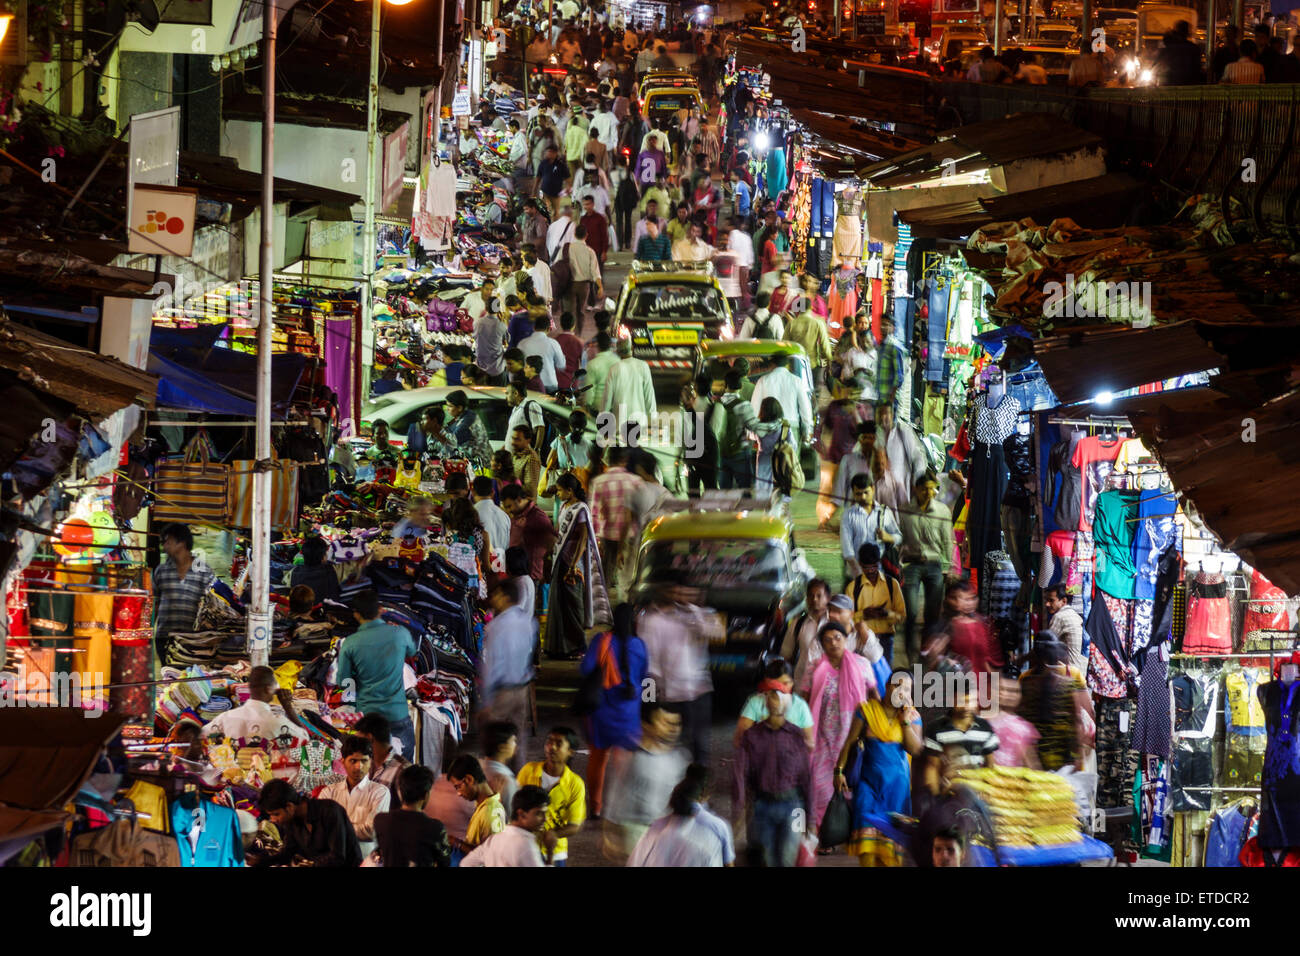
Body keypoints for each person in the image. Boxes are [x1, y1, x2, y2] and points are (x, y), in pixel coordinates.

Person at [838, 667, 924, 866]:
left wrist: (905, 722)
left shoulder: (913, 717)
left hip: (897, 789)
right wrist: (839, 770)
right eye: (897, 685)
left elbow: (915, 749)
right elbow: (850, 742)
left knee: (891, 852)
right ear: (887, 685)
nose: (900, 691)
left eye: (907, 688)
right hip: (868, 785)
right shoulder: (867, 710)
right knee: (867, 849)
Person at [638, 575, 720, 765]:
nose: (681, 596)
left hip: (699, 691)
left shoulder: (702, 614)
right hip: (671, 696)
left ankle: (697, 788)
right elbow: (650, 665)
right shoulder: (652, 620)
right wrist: (649, 702)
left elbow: (717, 633)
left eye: (688, 592)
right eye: (676, 592)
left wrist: (693, 612)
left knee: (700, 746)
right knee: (672, 745)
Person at [804, 622, 875, 839]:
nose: (833, 643)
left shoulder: (862, 664)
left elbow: (874, 696)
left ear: (847, 639)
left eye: (838, 637)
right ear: (822, 644)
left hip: (853, 737)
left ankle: (847, 832)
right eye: (828, 639)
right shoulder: (815, 668)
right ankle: (823, 834)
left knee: (852, 784)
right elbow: (806, 701)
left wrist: (875, 727)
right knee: (820, 786)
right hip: (823, 736)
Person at [580, 603, 648, 818]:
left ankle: (596, 807)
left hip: (601, 712)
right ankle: (623, 807)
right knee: (624, 762)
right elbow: (644, 676)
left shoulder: (602, 641)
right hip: (628, 713)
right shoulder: (640, 646)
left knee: (598, 759)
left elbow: (585, 669)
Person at [601, 701, 690, 862]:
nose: (673, 728)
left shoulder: (680, 758)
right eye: (666, 723)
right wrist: (610, 831)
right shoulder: (633, 758)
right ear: (647, 725)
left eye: (676, 724)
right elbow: (616, 794)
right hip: (637, 830)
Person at [733, 685, 811, 867]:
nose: (775, 702)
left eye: (780, 697)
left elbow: (806, 777)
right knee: (764, 859)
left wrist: (810, 818)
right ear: (766, 703)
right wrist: (738, 808)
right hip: (761, 806)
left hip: (794, 807)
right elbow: (740, 774)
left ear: (787, 704)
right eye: (771, 697)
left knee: (787, 859)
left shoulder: (796, 736)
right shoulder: (751, 736)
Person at [337, 590, 417, 760]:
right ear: (380, 610)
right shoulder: (400, 633)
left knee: (370, 769)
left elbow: (344, 682)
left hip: (368, 718)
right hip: (397, 713)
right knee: (403, 767)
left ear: (356, 615)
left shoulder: (350, 643)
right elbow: (412, 650)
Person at [546, 473, 609, 657]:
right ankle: (557, 647)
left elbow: (583, 539)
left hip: (572, 563)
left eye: (559, 490)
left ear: (570, 490)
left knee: (573, 605)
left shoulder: (581, 509)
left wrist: (574, 564)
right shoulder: (566, 506)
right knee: (559, 604)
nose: (558, 493)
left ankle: (577, 646)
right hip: (561, 559)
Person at [897, 472, 956, 669]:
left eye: (932, 488)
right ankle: (908, 651)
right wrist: (898, 563)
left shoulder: (942, 511)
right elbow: (899, 538)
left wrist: (947, 569)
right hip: (911, 564)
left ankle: (925, 652)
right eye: (924, 488)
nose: (929, 492)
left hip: (934, 565)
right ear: (916, 489)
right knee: (911, 612)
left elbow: (948, 541)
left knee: (932, 615)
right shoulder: (905, 510)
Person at [478, 582, 536, 770]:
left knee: (493, 740)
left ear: (505, 597)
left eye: (496, 594)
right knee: (518, 738)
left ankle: (493, 782)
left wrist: (486, 701)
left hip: (501, 691)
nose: (493, 599)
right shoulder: (528, 621)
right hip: (522, 687)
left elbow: (492, 665)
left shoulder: (496, 626)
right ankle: (517, 781)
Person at [629, 764, 735, 866]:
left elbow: (635, 861)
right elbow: (728, 863)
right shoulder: (717, 829)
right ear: (706, 794)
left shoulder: (656, 828)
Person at [1018, 633, 1093, 772]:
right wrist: (1078, 753)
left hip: (1034, 755)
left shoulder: (1026, 680)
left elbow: (1020, 717)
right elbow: (1077, 717)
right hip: (1063, 755)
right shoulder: (1070, 680)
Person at [516, 727, 588, 865]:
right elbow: (514, 806)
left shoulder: (575, 784)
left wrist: (554, 834)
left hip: (556, 852)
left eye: (559, 744)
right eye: (549, 741)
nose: (551, 747)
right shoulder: (529, 770)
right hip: (524, 846)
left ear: (570, 752)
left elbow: (575, 824)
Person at [203, 665, 310, 754]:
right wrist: (288, 707)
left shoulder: (226, 717)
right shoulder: (277, 722)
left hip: (231, 776)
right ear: (268, 689)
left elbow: (201, 735)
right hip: (265, 777)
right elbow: (305, 738)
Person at [255, 779, 362, 867]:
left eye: (276, 814)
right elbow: (288, 853)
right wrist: (260, 861)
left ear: (289, 806)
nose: (273, 819)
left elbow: (337, 857)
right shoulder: (290, 821)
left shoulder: (330, 811)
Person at [921, 683, 1001, 797]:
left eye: (971, 700)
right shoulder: (936, 728)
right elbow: (932, 767)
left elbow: (990, 765)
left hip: (977, 797)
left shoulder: (985, 727)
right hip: (948, 795)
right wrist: (935, 796)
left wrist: (988, 791)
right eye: (961, 701)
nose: (966, 707)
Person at [319, 735, 391, 858]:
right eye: (353, 761)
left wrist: (335, 830)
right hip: (333, 860)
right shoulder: (328, 792)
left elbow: (372, 831)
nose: (359, 767)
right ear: (343, 762)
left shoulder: (380, 792)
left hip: (365, 859)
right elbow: (319, 827)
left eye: (364, 761)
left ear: (370, 762)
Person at [153, 523, 217, 659]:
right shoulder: (161, 571)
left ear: (181, 543)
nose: (164, 546)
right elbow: (154, 603)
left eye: (167, 542)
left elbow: (212, 607)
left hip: (192, 640)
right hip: (165, 637)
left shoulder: (204, 571)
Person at [590, 445, 642, 604]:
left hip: (607, 535)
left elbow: (594, 514)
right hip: (630, 535)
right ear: (624, 460)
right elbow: (641, 511)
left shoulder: (599, 482)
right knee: (627, 576)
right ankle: (625, 610)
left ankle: (603, 610)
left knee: (604, 574)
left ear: (607, 460)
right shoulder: (635, 481)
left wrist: (595, 538)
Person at [372, 764, 451, 867]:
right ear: (426, 795)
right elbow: (445, 862)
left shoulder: (381, 821)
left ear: (400, 792)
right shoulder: (435, 828)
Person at [711, 368, 777, 491]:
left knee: (725, 491)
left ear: (725, 386)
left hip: (721, 454)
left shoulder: (716, 403)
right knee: (745, 490)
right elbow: (755, 427)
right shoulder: (743, 405)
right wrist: (773, 426)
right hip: (739, 454)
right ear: (740, 386)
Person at [734, 659, 816, 750]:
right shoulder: (756, 702)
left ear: (792, 682)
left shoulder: (800, 706)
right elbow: (740, 738)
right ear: (767, 683)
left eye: (785, 683)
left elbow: (810, 744)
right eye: (775, 686)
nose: (780, 691)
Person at [847, 543, 906, 669]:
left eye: (874, 567)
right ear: (860, 565)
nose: (871, 571)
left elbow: (902, 616)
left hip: (886, 638)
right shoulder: (853, 588)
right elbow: (846, 619)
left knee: (885, 678)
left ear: (879, 562)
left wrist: (887, 614)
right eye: (866, 568)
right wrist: (864, 614)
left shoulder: (892, 584)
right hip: (861, 640)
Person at [460, 786, 548, 867]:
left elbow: (466, 863)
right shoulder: (526, 845)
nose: (545, 819)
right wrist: (550, 852)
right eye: (539, 813)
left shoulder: (495, 839)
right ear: (521, 814)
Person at [448, 754, 508, 857]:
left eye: (458, 787)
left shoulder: (489, 812)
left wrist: (457, 843)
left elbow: (490, 857)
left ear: (469, 779)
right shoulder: (483, 806)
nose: (459, 793)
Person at [841, 477, 900, 580]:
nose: (863, 497)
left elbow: (899, 537)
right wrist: (859, 571)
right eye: (858, 494)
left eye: (866, 492)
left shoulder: (884, 512)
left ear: (873, 489)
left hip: (881, 571)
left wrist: (888, 537)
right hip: (857, 574)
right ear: (853, 493)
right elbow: (847, 548)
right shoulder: (848, 515)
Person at [601, 336, 658, 444]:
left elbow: (607, 397)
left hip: (619, 423)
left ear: (617, 352)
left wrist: (603, 417)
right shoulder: (643, 366)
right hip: (639, 423)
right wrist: (653, 416)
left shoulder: (614, 369)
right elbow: (649, 393)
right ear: (632, 348)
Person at [751, 352, 813, 451]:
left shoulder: (763, 380)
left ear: (772, 364)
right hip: (791, 428)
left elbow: (754, 408)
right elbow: (805, 409)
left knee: (769, 462)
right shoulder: (796, 381)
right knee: (790, 462)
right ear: (786, 364)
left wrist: (752, 434)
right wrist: (807, 431)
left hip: (768, 430)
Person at [941, 579, 1003, 676]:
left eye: (973, 598)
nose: (970, 603)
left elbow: (995, 656)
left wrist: (996, 680)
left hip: (984, 681)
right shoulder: (947, 626)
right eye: (966, 599)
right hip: (958, 683)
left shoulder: (986, 623)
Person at [501, 481, 556, 587]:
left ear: (519, 500)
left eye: (509, 506)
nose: (508, 510)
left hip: (531, 575)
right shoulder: (518, 514)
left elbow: (552, 542)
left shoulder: (537, 516)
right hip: (515, 573)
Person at [353, 713, 408, 801]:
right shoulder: (367, 763)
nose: (357, 745)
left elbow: (407, 811)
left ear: (370, 738)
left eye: (359, 740)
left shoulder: (402, 770)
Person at [785, 302, 833, 393]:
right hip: (813, 365)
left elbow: (785, 344)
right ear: (811, 307)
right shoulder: (818, 322)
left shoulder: (792, 324)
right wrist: (829, 362)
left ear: (799, 309)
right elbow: (825, 345)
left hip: (795, 364)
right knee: (813, 393)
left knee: (797, 392)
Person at [1044, 584, 1086, 675]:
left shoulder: (1060, 617)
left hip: (1070, 675)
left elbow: (1044, 647)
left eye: (1051, 600)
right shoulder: (1074, 615)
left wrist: (1021, 659)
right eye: (1046, 600)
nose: (1046, 604)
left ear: (1063, 601)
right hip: (1082, 673)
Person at [567, 223, 604, 330]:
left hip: (570, 284)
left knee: (570, 311)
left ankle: (570, 333)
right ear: (586, 235)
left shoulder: (567, 248)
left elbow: (560, 264)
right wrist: (600, 287)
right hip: (584, 286)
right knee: (581, 312)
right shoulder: (590, 251)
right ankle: (578, 335)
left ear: (574, 234)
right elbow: (595, 272)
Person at [472, 475, 512, 570]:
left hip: (481, 571)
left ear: (473, 492)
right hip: (501, 569)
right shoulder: (505, 516)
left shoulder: (471, 515)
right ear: (493, 493)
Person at [480, 720, 520, 812]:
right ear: (502, 747)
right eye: (513, 741)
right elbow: (510, 817)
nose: (516, 745)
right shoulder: (505, 781)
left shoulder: (478, 769)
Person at [288, 535, 340, 604]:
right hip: (325, 611)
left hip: (302, 611)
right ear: (323, 557)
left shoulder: (296, 571)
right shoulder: (329, 570)